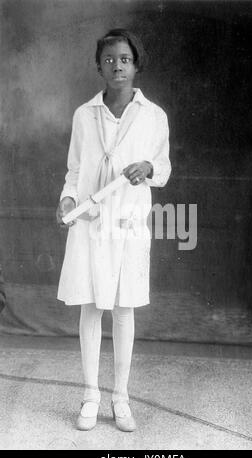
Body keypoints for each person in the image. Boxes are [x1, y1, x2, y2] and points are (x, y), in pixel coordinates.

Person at [56, 29, 171, 432]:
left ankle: (120, 399)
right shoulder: (83, 114)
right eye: (108, 59)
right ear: (98, 66)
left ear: (136, 64)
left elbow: (164, 169)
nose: (117, 66)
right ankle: (90, 395)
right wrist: (69, 200)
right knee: (92, 306)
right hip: (90, 222)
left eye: (124, 59)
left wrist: (149, 168)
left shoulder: (154, 116)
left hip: (129, 223)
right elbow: (74, 169)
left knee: (124, 308)